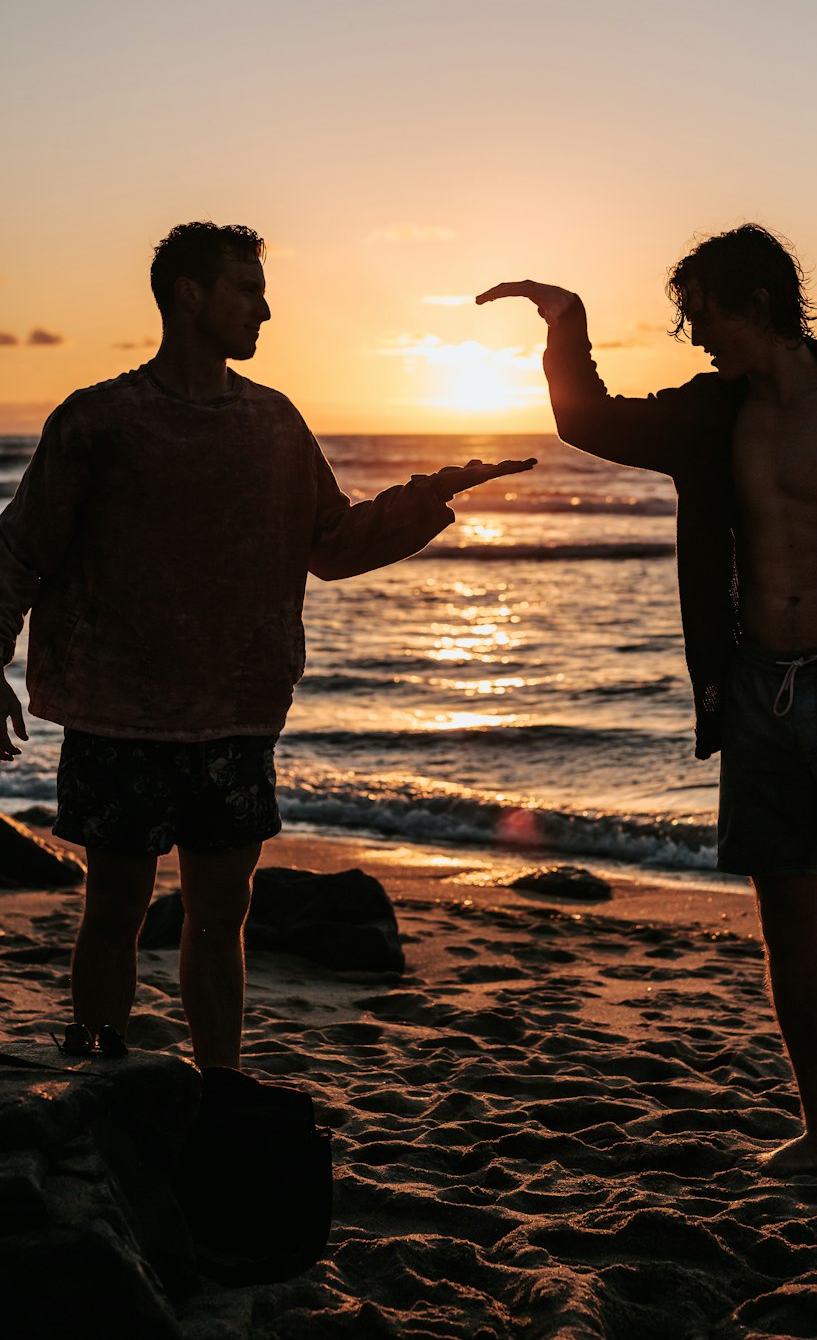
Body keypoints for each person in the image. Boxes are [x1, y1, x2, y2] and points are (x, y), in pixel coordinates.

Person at [477, 223, 817, 1238]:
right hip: (758, 696)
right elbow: (589, 419)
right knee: (785, 924)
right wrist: (566, 324)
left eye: (704, 314)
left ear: (754, 303)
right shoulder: (710, 415)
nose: (696, 335)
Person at [0, 220, 534, 1070]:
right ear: (190, 295)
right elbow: (19, 548)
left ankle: (220, 1088)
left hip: (236, 716)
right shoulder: (100, 420)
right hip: (119, 716)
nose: (266, 309)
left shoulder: (274, 424)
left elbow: (330, 543)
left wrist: (433, 495)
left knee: (222, 918)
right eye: (246, 289)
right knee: (114, 907)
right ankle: (98, 1060)